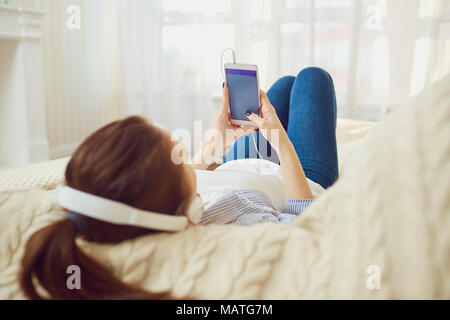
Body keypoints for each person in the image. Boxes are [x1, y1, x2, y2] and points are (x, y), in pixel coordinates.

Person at [20, 67, 338, 299]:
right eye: (182, 156)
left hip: (239, 164)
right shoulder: (238, 218)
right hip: (299, 178)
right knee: (311, 79)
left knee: (280, 87)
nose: (190, 162)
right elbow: (302, 226)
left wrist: (215, 144)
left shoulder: (160, 197)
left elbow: (185, 181)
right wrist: (281, 142)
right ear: (187, 201)